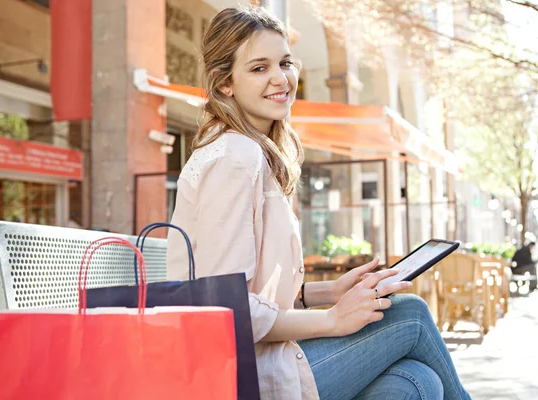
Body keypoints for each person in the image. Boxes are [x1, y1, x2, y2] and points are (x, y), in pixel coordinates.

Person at [166, 7, 472, 400]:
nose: (282, 79)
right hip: (244, 376)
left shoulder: (250, 153)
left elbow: (250, 291)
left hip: (265, 356)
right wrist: (332, 320)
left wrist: (327, 293)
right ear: (225, 83)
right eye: (259, 68)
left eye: (285, 62)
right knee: (409, 314)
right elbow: (227, 312)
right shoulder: (234, 157)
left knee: (416, 382)